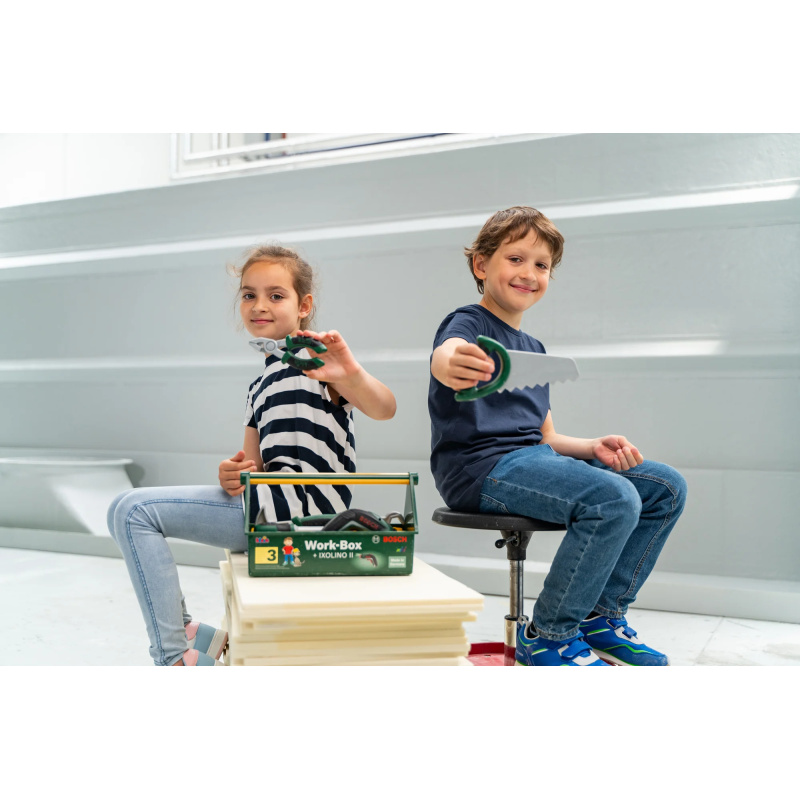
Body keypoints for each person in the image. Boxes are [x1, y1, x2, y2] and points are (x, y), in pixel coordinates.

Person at [107, 244, 396, 666]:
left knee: (134, 511)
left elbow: (384, 408)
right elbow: (251, 467)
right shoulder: (259, 386)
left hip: (300, 516)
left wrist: (350, 373)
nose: (260, 305)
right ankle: (191, 635)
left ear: (304, 306)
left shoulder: (320, 364)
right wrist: (232, 473)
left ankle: (174, 657)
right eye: (249, 295)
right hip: (264, 504)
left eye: (276, 295)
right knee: (124, 509)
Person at [428, 207, 688, 667]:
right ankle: (548, 635)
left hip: (530, 460)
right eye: (515, 259)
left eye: (542, 265)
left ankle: (600, 618)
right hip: (478, 470)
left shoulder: (534, 350)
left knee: (664, 487)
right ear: (481, 265)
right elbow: (446, 355)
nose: (529, 273)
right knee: (612, 499)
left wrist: (592, 447)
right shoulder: (468, 324)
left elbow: (544, 436)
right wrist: (453, 363)